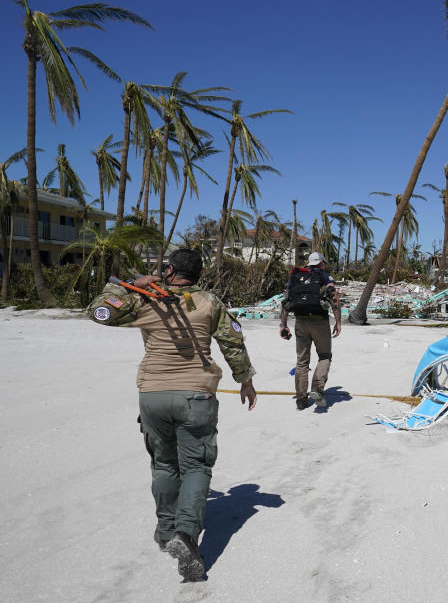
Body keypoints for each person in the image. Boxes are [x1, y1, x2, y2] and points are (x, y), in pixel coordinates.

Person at [86, 249, 257, 582]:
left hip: (152, 395)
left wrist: (129, 286)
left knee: (164, 464)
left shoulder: (144, 300)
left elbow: (99, 312)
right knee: (196, 465)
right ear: (196, 274)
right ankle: (187, 534)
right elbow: (232, 342)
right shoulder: (209, 301)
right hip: (196, 394)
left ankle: (166, 532)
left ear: (169, 270)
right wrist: (245, 381)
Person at [279, 251, 341, 410]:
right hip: (319, 321)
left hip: (300, 321)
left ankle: (301, 400)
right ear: (320, 263)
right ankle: (317, 388)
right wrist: (338, 321)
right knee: (325, 356)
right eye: (324, 263)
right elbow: (334, 296)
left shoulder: (297, 277)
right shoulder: (324, 276)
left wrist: (283, 325)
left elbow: (286, 300)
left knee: (302, 362)